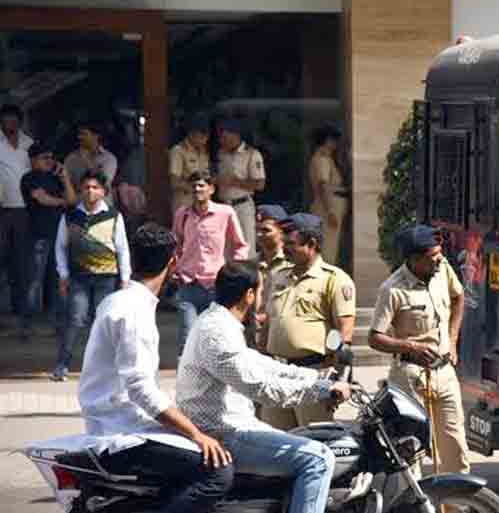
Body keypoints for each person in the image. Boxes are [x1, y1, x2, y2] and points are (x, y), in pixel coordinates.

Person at [79, 223, 233, 513]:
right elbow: (140, 390)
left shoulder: (117, 301)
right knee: (218, 472)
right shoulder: (134, 312)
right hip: (123, 435)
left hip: (117, 424)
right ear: (173, 263)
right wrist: (196, 434)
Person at [176, 260, 352, 513]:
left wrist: (314, 377)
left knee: (304, 440)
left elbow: (260, 364)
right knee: (319, 458)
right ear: (249, 295)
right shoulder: (216, 332)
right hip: (223, 433)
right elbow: (261, 388)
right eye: (261, 291)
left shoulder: (216, 322)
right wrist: (323, 390)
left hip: (231, 426)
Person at [367, 224, 470, 477]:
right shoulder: (392, 289)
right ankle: (414, 499)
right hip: (409, 377)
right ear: (414, 259)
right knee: (410, 452)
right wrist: (411, 346)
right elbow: (374, 338)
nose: (440, 259)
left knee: (455, 449)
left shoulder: (442, 269)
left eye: (440, 253)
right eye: (432, 256)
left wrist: (453, 339)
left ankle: (459, 498)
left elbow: (459, 297)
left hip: (444, 373)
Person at [261, 213, 356, 429]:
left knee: (313, 440)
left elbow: (344, 332)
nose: (284, 249)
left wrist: (337, 379)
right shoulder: (278, 276)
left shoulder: (334, 279)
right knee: (274, 440)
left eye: (291, 244)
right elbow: (269, 322)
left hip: (312, 374)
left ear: (312, 244)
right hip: (276, 374)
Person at [53, 169, 131, 381]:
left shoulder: (114, 216)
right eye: (86, 187)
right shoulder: (70, 216)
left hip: (107, 277)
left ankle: (107, 367)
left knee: (104, 322)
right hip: (78, 277)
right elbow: (60, 246)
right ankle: (62, 365)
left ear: (104, 191)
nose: (90, 191)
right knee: (76, 319)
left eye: (95, 187)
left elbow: (122, 249)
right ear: (80, 190)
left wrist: (125, 279)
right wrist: (63, 274)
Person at [172, 169, 248, 357]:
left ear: (211, 189)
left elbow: (240, 245)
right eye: (194, 186)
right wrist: (175, 269)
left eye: (201, 185)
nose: (197, 189)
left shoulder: (225, 213)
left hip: (216, 284)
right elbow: (175, 245)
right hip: (188, 282)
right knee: (187, 336)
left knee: (216, 336)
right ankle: (186, 372)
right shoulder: (183, 214)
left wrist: (234, 272)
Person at [20, 141, 76, 339]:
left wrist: (65, 177)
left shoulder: (55, 178)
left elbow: (72, 200)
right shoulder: (29, 178)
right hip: (39, 236)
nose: (49, 161)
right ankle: (27, 324)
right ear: (33, 160)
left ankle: (56, 323)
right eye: (45, 158)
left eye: (51, 158)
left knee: (57, 280)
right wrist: (62, 202)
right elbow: (41, 199)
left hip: (59, 236)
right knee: (35, 281)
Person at [0, 104, 34, 323]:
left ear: (19, 122)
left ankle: (21, 308)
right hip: (2, 210)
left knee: (21, 260)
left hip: (26, 210)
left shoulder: (29, 144)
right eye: (5, 120)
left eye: (13, 120)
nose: (9, 123)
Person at [216, 118, 265, 259]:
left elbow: (260, 184)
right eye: (221, 138)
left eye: (225, 137)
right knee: (225, 248)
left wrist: (234, 182)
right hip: (224, 206)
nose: (222, 141)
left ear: (235, 135)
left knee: (246, 246)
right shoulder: (221, 154)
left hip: (242, 206)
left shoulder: (251, 154)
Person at [309, 123, 349, 266]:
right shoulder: (322, 159)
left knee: (331, 247)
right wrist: (330, 210)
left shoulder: (328, 158)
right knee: (328, 249)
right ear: (328, 140)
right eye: (334, 140)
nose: (336, 144)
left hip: (331, 204)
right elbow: (323, 185)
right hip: (327, 207)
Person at [254, 203, 292, 350]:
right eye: (257, 229)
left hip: (280, 337)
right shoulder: (251, 264)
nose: (259, 234)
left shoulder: (292, 264)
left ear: (281, 231)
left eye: (266, 230)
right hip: (253, 336)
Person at [63, 120, 118, 199]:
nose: (79, 137)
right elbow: (66, 185)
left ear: (96, 135)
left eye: (84, 134)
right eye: (79, 134)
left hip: (102, 203)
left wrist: (87, 160)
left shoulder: (109, 159)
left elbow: (103, 183)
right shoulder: (71, 158)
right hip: (80, 203)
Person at [169, 115, 211, 218]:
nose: (204, 140)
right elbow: (174, 181)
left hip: (202, 205)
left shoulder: (204, 152)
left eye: (206, 137)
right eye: (201, 136)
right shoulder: (178, 151)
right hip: (185, 203)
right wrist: (195, 188)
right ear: (192, 134)